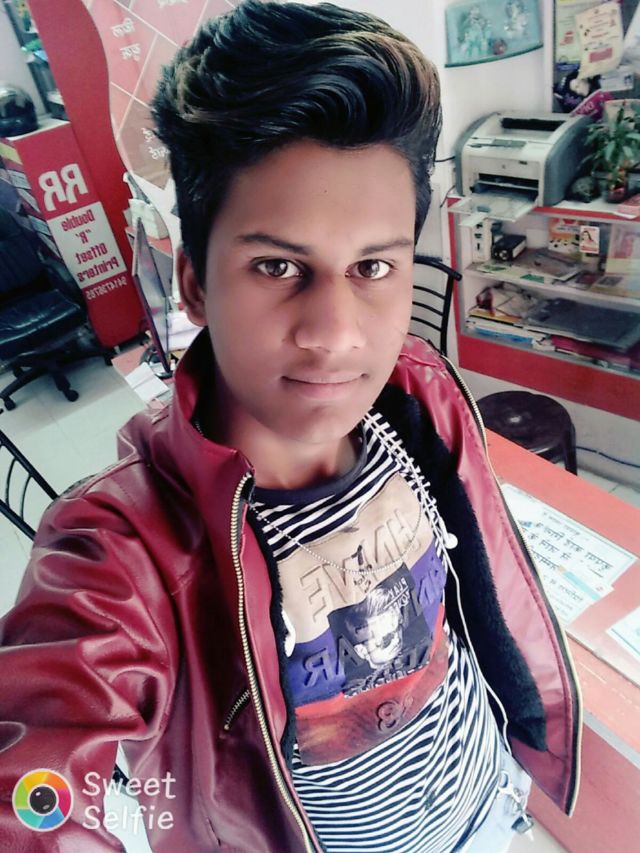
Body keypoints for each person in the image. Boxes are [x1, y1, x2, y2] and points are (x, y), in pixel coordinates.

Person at [0, 2, 580, 851]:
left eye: (372, 266)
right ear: (194, 284)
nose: (335, 333)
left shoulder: (418, 403)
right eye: (276, 265)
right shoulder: (124, 551)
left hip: (488, 801)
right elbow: (32, 785)